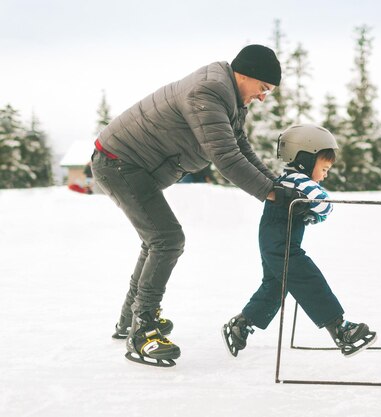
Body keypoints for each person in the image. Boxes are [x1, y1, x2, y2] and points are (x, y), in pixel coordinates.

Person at [91, 44, 301, 367]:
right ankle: (141, 330)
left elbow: (239, 146)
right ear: (244, 75)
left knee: (157, 238)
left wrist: (276, 186)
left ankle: (129, 320)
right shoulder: (210, 91)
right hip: (119, 163)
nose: (263, 97)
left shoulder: (229, 94)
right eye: (263, 88)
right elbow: (226, 159)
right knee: (167, 239)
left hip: (131, 165)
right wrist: (273, 195)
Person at [222, 124, 377, 358]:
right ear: (305, 159)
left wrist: (310, 212)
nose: (325, 175)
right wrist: (317, 212)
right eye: (324, 168)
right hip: (280, 245)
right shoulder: (299, 181)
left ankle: (241, 324)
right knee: (307, 277)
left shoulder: (290, 181)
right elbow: (324, 203)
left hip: (274, 242)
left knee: (275, 287)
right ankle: (340, 330)